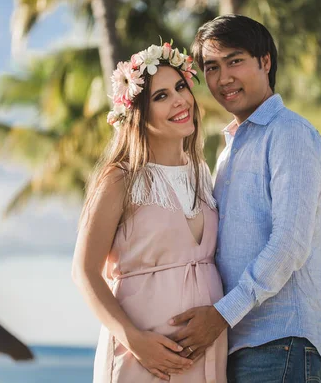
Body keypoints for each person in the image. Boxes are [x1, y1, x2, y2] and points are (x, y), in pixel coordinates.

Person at [167, 15, 321, 382]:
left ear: (265, 62)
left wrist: (223, 313)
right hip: (240, 346)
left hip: (281, 342)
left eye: (235, 60)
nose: (223, 78)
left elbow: (289, 243)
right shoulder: (227, 153)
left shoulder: (288, 133)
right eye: (212, 67)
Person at [72, 42, 227, 383]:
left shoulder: (203, 174)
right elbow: (84, 272)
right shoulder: (120, 178)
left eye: (181, 87)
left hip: (205, 357)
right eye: (161, 96)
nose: (179, 101)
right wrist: (135, 340)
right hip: (142, 358)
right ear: (138, 111)